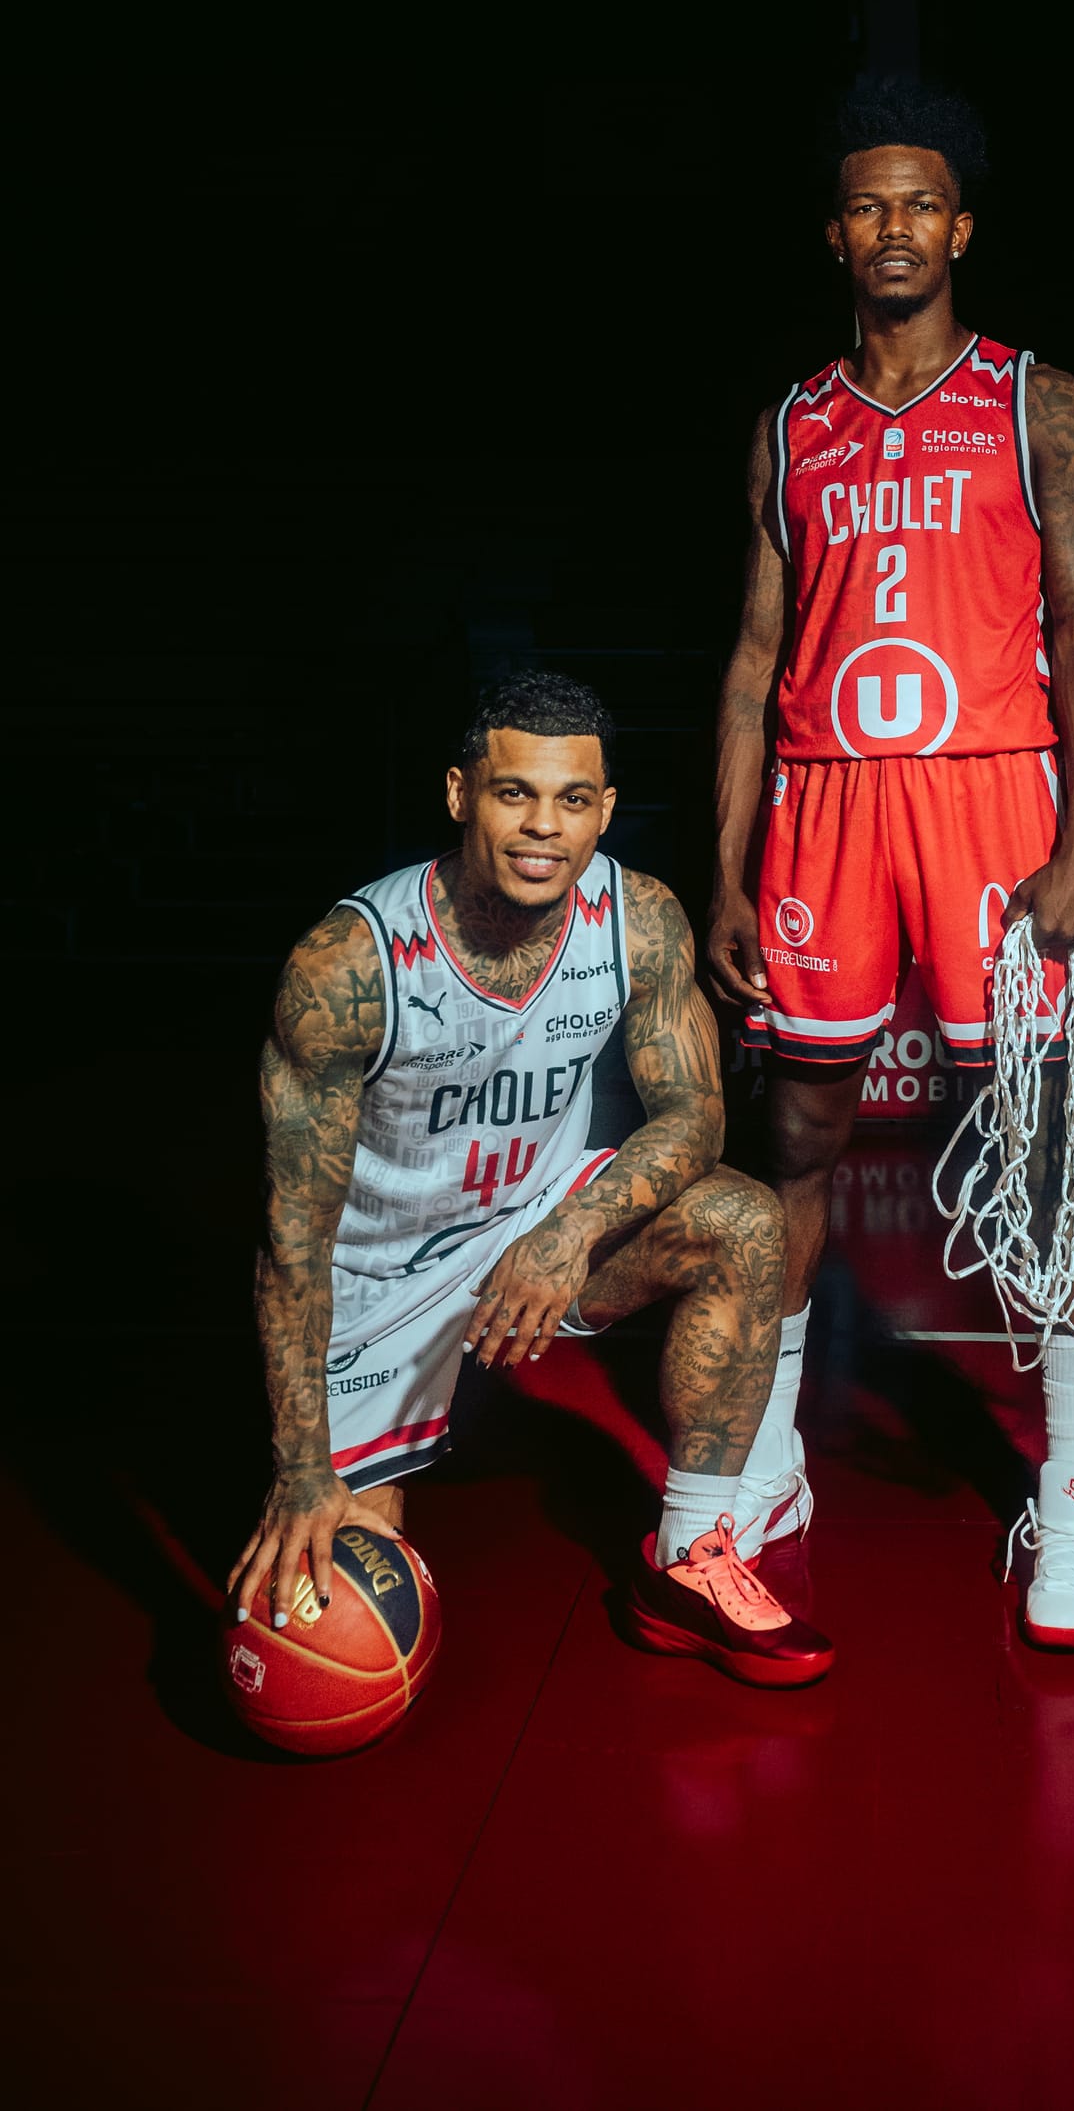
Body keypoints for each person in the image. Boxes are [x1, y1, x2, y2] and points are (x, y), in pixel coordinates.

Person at [708, 80, 1074, 1646]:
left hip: (990, 798)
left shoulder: (1037, 400)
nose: (894, 227)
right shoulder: (791, 423)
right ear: (835, 234)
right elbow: (754, 659)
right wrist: (729, 865)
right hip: (824, 804)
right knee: (798, 1136)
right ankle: (767, 1463)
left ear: (961, 228)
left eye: (920, 204)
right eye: (866, 205)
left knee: (1043, 1151)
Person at [228, 669, 832, 1688]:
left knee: (741, 1219)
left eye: (571, 798)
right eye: (514, 793)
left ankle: (687, 1560)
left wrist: (565, 1235)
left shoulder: (636, 920)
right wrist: (298, 1472)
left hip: (533, 1218)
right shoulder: (348, 967)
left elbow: (693, 1116)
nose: (543, 826)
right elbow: (290, 1243)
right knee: (340, 1607)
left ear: (604, 808)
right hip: (380, 1280)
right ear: (460, 792)